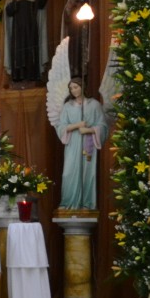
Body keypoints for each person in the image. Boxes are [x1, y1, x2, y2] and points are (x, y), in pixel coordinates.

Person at [53, 78, 107, 210]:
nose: (73, 90)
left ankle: (87, 203)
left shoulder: (94, 105)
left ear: (83, 86)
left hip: (88, 143)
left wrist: (89, 130)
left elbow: (103, 126)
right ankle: (67, 203)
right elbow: (60, 126)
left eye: (76, 87)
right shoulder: (68, 106)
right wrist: (77, 125)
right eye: (71, 88)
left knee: (88, 173)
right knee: (68, 173)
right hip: (72, 144)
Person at [4, 0, 49, 85]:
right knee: (18, 50)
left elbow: (41, 4)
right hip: (17, 28)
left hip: (31, 25)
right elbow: (8, 11)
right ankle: (18, 76)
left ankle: (32, 75)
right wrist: (16, 0)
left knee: (31, 48)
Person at [62, 0, 93, 82]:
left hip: (83, 23)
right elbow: (68, 6)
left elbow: (91, 1)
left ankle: (81, 73)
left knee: (81, 46)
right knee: (73, 47)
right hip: (73, 23)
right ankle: (74, 73)